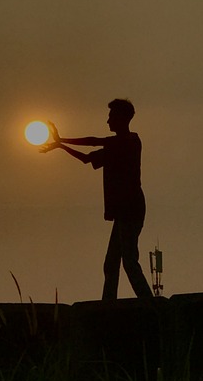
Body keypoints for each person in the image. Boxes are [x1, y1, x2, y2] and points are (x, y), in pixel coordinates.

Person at [40, 99, 153, 300]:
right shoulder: (114, 147)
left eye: (111, 116)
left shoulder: (130, 141)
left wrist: (62, 139)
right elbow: (86, 158)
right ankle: (108, 304)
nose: (108, 120)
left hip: (131, 208)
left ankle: (148, 302)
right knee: (111, 264)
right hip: (123, 211)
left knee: (128, 261)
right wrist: (60, 145)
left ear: (122, 118)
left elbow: (93, 140)